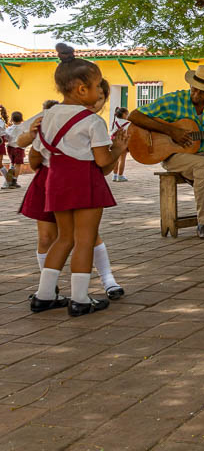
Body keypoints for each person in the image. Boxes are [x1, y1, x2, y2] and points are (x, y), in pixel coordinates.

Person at [30, 45, 129, 316]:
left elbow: (36, 154)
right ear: (82, 89)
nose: (100, 92)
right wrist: (118, 149)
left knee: (63, 238)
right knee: (84, 240)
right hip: (83, 181)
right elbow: (101, 161)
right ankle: (80, 299)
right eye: (98, 86)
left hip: (56, 181)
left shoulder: (46, 116)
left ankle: (44, 295)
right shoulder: (92, 121)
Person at [128, 64, 204, 239]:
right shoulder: (173, 100)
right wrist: (172, 131)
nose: (197, 94)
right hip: (173, 155)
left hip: (202, 151)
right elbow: (135, 116)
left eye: (203, 92)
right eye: (195, 89)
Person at [3, 111, 25, 188]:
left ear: (12, 119)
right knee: (18, 164)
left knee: (12, 163)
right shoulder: (23, 127)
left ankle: (10, 179)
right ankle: (14, 181)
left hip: (10, 148)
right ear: (21, 119)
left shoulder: (9, 128)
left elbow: (6, 138)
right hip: (19, 148)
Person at [110, 107, 130, 182]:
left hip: (114, 142)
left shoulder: (114, 122)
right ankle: (120, 176)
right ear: (124, 114)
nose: (128, 115)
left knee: (116, 160)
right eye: (127, 114)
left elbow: (111, 132)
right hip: (123, 142)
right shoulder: (128, 123)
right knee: (122, 159)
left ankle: (114, 176)